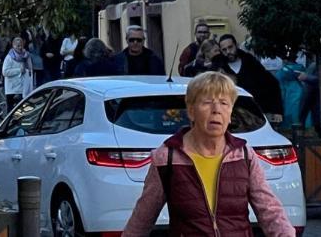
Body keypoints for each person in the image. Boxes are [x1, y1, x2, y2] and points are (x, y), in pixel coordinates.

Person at [121, 71, 295, 236]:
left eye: (224, 103)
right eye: (207, 102)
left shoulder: (244, 155)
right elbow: (142, 219)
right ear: (191, 110)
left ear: (230, 112)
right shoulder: (167, 157)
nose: (216, 110)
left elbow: (270, 211)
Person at [218, 35, 283, 121]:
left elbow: (272, 83)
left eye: (230, 47)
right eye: (224, 50)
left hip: (256, 115)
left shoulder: (250, 62)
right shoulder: (219, 67)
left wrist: (277, 110)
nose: (228, 51)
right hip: (231, 118)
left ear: (236, 45)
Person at [2, 35, 34, 111]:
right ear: (13, 46)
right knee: (12, 111)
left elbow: (30, 71)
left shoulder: (26, 55)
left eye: (21, 45)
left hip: (23, 88)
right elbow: (5, 72)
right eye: (17, 46)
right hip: (12, 89)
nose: (19, 47)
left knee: (21, 111)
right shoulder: (9, 57)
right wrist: (19, 70)